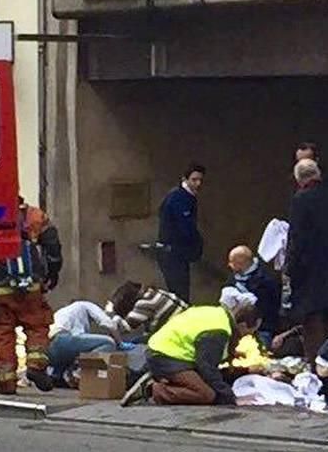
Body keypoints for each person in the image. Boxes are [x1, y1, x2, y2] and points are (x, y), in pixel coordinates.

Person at [0, 199, 63, 395]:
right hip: (29, 285)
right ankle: (36, 365)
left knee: (3, 333)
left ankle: (6, 382)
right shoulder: (32, 215)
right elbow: (52, 244)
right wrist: (53, 272)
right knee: (37, 325)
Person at [120, 303, 261, 407]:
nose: (247, 336)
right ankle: (152, 390)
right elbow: (207, 368)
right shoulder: (219, 330)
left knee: (207, 386)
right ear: (242, 325)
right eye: (250, 332)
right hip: (168, 357)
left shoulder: (217, 313)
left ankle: (165, 382)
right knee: (206, 395)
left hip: (165, 350)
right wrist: (231, 398)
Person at [287, 159, 328, 365]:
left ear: (299, 180)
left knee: (313, 327)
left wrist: (291, 269)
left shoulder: (301, 200)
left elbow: (297, 239)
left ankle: (316, 371)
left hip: (310, 274)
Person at [157, 162, 205, 302]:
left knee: (180, 291)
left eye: (200, 180)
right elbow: (185, 227)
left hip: (176, 252)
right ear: (185, 179)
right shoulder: (179, 198)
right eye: (194, 180)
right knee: (180, 293)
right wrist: (196, 244)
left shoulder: (182, 197)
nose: (198, 184)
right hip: (174, 253)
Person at [47, 301, 125, 383]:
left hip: (49, 348)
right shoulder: (85, 304)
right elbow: (109, 324)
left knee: (74, 352)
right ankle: (79, 372)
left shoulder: (62, 312)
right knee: (108, 343)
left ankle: (56, 376)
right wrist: (120, 343)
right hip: (63, 340)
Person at [226, 245, 281, 348]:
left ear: (242, 263)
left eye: (233, 262)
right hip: (237, 326)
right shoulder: (234, 276)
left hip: (262, 328)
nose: (230, 265)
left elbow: (270, 308)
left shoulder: (265, 280)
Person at [106, 281, 187, 342]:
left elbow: (125, 328)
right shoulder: (156, 292)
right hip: (184, 326)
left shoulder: (144, 303)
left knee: (131, 341)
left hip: (177, 333)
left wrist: (111, 313)